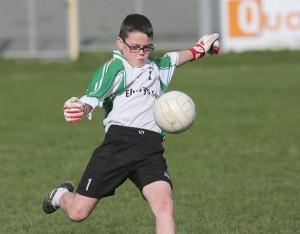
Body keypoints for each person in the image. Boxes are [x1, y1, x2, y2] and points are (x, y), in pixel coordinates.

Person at [42, 13, 219, 234]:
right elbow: (92, 97)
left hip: (150, 149)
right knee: (78, 213)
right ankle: (60, 195)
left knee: (164, 206)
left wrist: (201, 49)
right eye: (135, 47)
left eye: (147, 48)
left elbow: (178, 57)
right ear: (120, 43)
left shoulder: (159, 67)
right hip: (118, 144)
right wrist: (80, 107)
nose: (142, 54)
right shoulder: (114, 68)